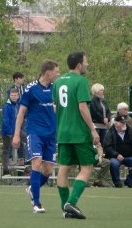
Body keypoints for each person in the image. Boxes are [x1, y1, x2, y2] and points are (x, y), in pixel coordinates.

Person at [53, 51, 100, 219]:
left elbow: (56, 107)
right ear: (79, 64)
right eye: (86, 61)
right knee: (87, 167)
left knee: (64, 168)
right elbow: (82, 107)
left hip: (63, 132)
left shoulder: (58, 82)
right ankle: (71, 202)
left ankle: (65, 209)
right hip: (79, 132)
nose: (87, 64)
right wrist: (93, 129)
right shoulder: (81, 81)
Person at [12, 60, 59, 213]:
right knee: (36, 163)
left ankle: (32, 188)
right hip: (35, 132)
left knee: (47, 171)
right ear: (48, 72)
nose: (58, 74)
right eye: (56, 72)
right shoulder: (30, 89)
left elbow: (58, 109)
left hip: (51, 135)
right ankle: (36, 204)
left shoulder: (55, 89)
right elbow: (21, 113)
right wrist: (16, 134)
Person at [104, 115, 132, 188]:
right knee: (114, 164)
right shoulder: (110, 133)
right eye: (122, 123)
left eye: (124, 123)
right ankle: (117, 183)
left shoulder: (129, 131)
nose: (124, 124)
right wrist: (116, 155)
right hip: (115, 157)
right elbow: (107, 146)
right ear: (116, 124)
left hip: (129, 156)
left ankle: (129, 181)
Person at [1, 88, 23, 176]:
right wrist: (9, 132)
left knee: (27, 140)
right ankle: (5, 171)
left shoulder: (18, 105)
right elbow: (5, 119)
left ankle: (26, 166)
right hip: (7, 132)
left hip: (17, 130)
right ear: (9, 95)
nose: (13, 97)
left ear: (18, 96)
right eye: (12, 95)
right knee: (6, 150)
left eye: (15, 95)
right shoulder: (7, 105)